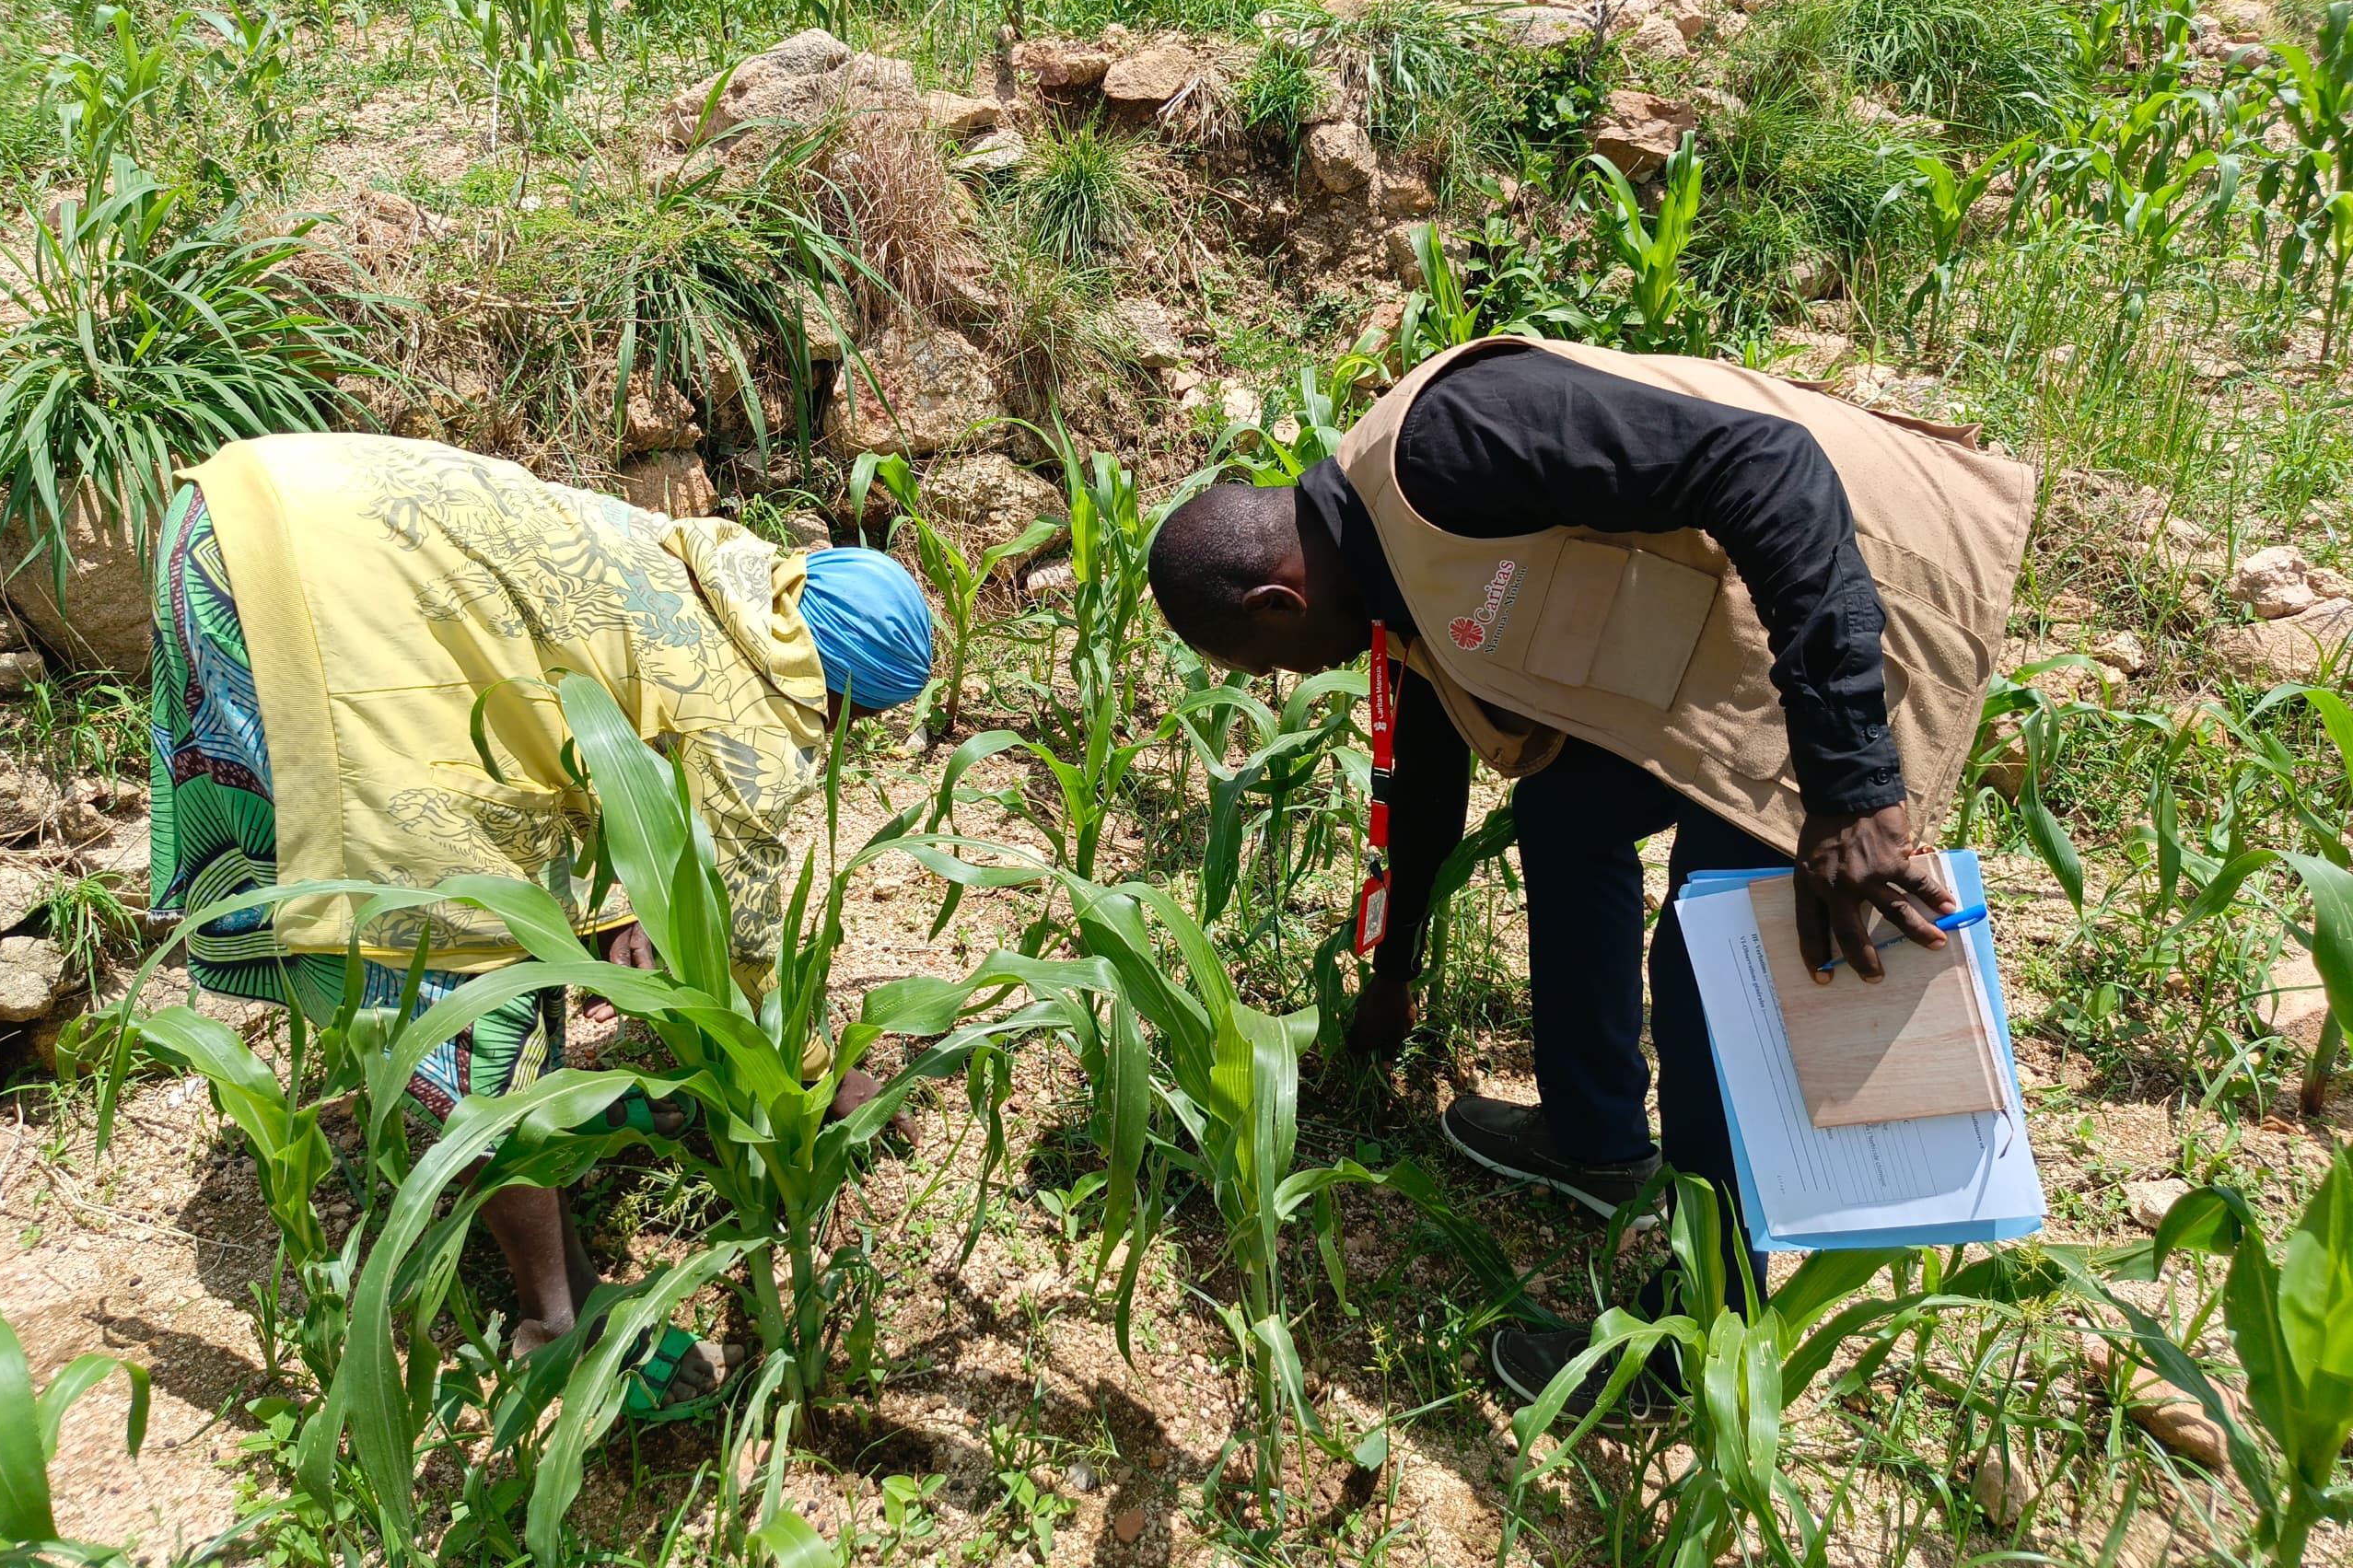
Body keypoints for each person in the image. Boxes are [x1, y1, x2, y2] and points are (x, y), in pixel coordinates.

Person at [1147, 337, 2030, 1412]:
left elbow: (1772, 466)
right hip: (1734, 622)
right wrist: (1393, 974)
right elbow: (1423, 782)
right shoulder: (1378, 569)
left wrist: (1849, 783)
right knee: (1566, 812)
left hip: (1852, 579)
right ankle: (1596, 1141)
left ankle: (1697, 1341)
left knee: (1709, 960)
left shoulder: (1448, 447)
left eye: (1274, 667)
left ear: (1276, 604)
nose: (1301, 676)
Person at [147, 433, 932, 1412]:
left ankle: (572, 1118)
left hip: (242, 510)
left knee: (523, 892)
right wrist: (822, 1070)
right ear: (845, 700)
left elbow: (579, 713)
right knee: (471, 946)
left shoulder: (725, 573)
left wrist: (616, 912)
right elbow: (742, 941)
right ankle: (559, 1324)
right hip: (308, 591)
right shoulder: (756, 712)